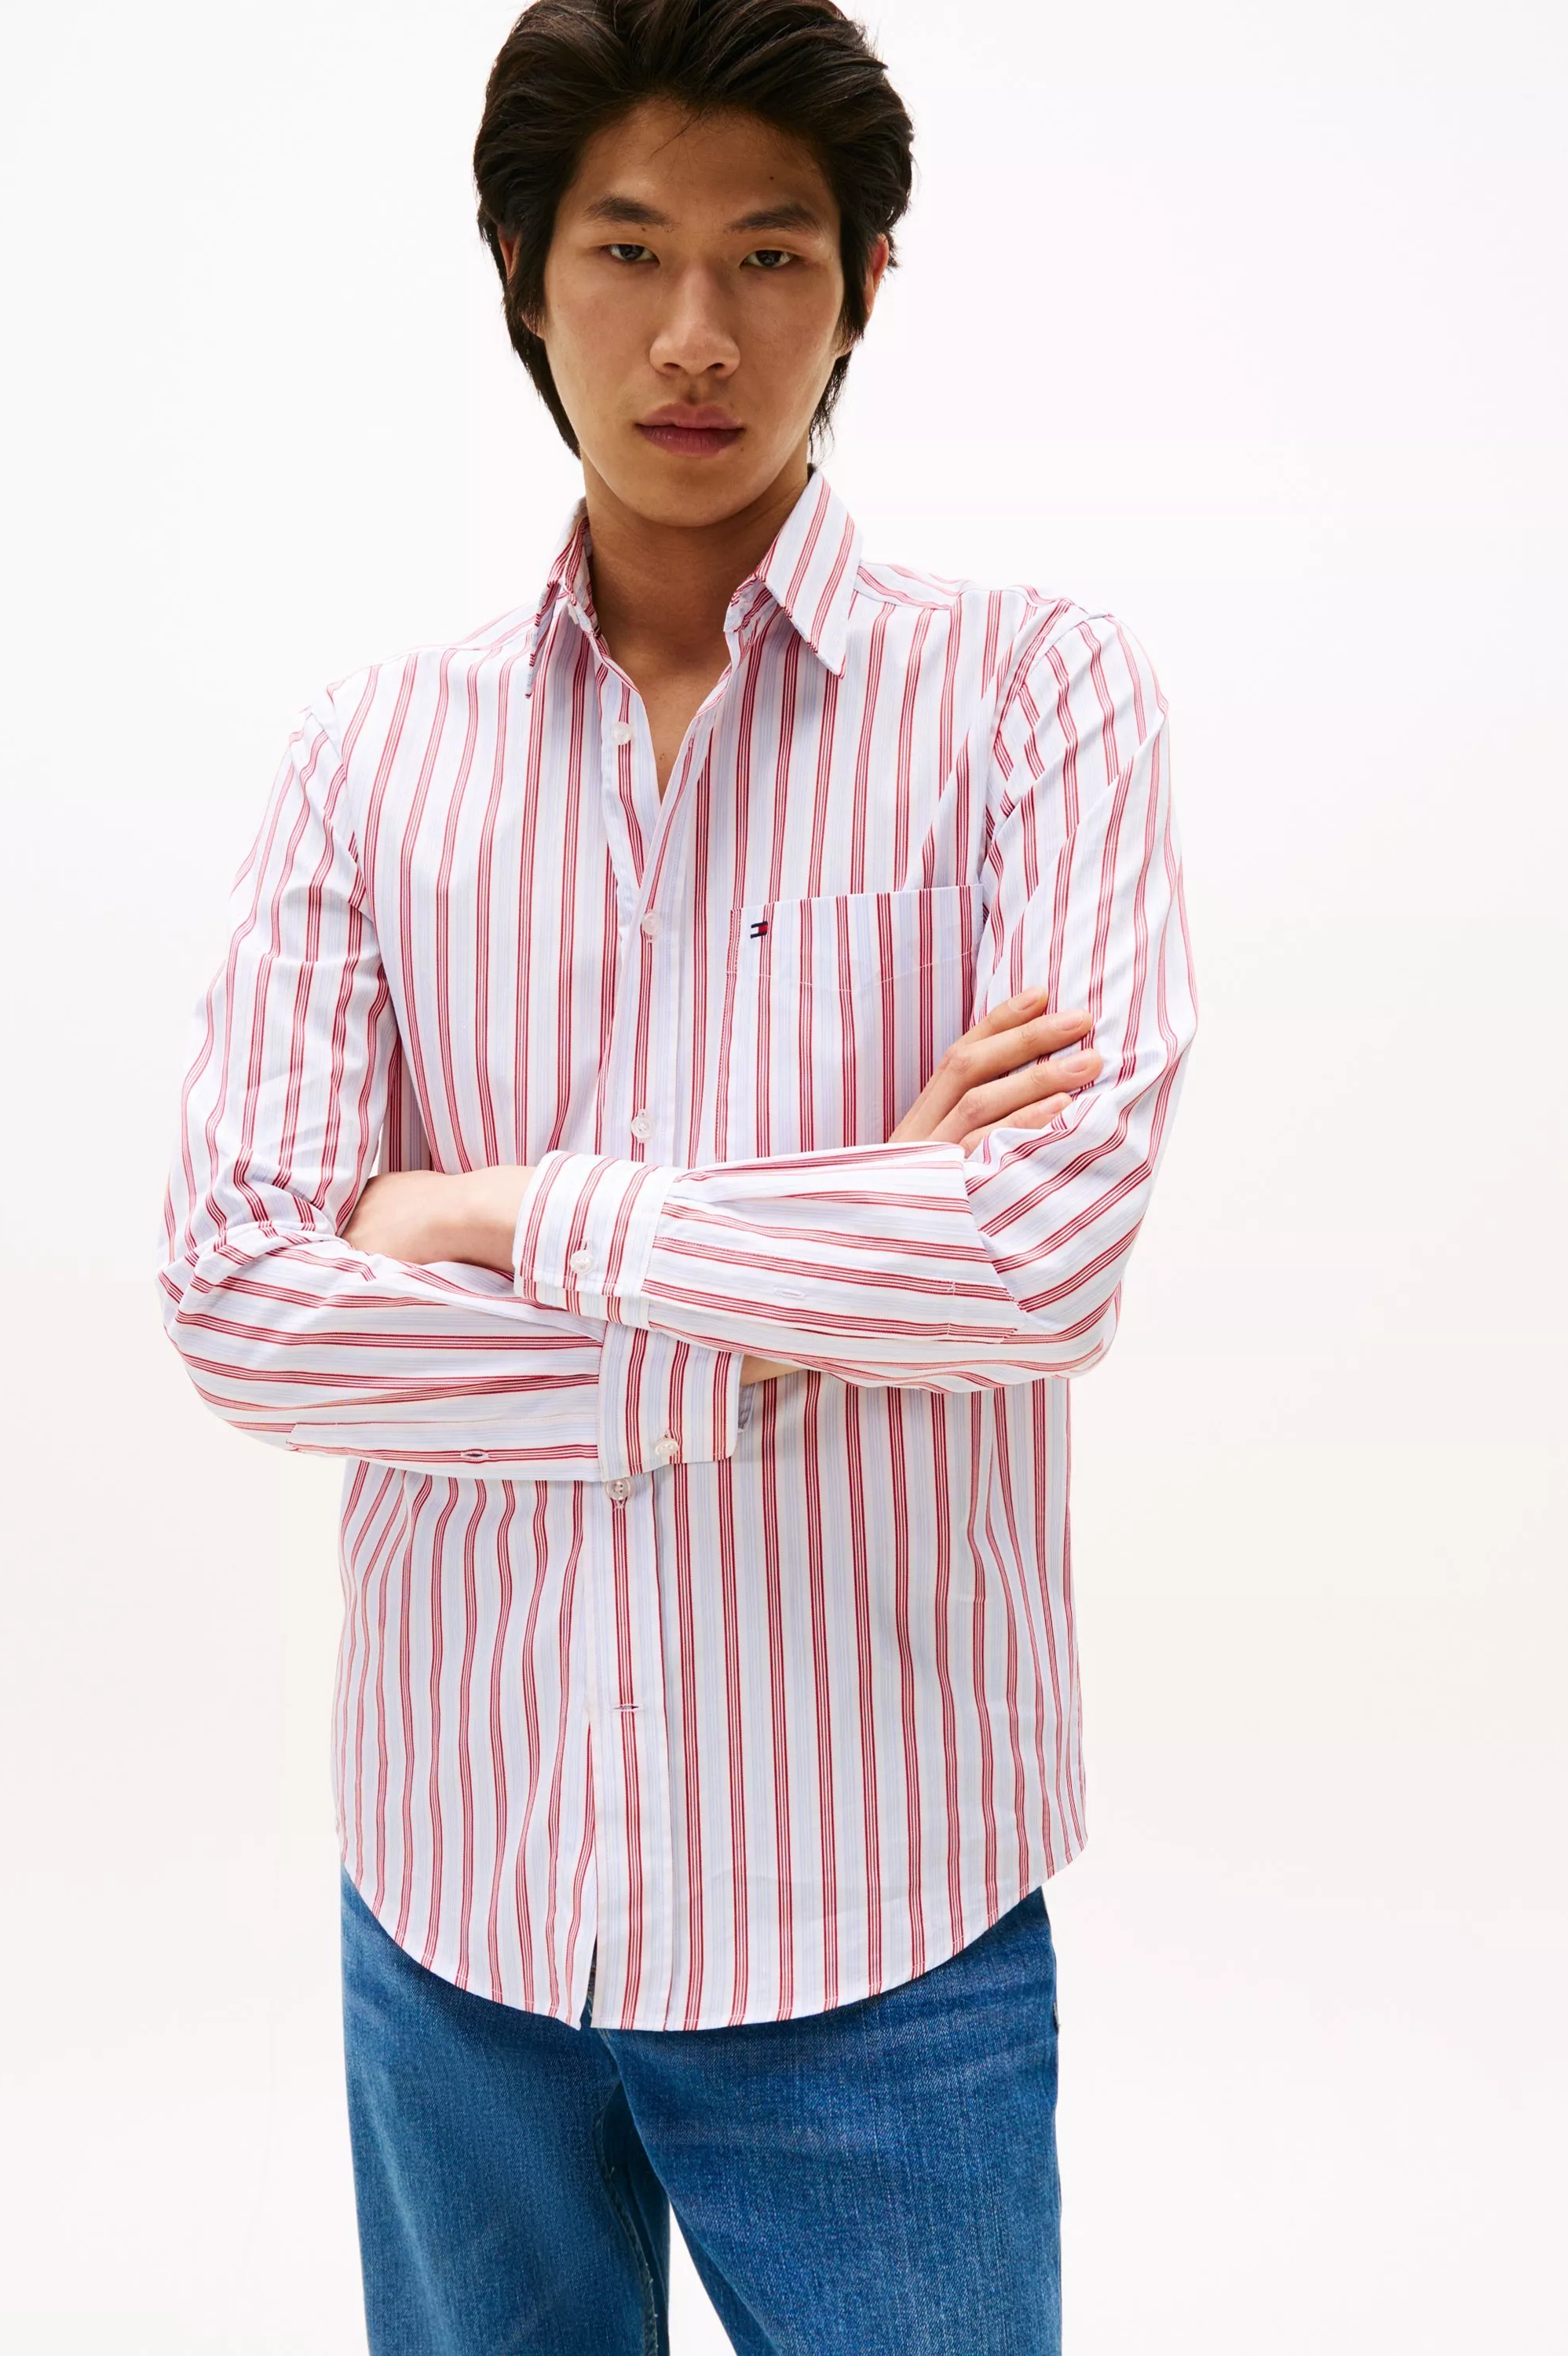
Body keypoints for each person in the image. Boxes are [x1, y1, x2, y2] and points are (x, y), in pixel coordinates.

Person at [156, 2, 1198, 2347]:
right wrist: (801, 1293)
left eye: (771, 255)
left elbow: (1040, 1257)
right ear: (526, 278)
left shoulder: (1035, 698)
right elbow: (235, 1293)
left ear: (868, 282)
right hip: (454, 1910)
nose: (698, 333)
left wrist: (495, 1210)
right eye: (627, 249)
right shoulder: (374, 754)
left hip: (880, 1920)